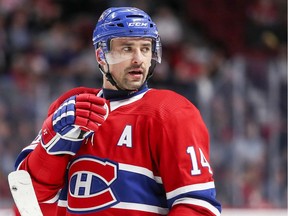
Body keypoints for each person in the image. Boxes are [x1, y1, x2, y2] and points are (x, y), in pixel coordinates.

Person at [13, 7, 222, 216]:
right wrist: (49, 150)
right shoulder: (72, 108)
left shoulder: (170, 112)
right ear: (101, 55)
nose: (138, 59)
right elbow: (25, 206)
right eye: (127, 49)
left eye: (145, 48)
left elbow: (198, 207)